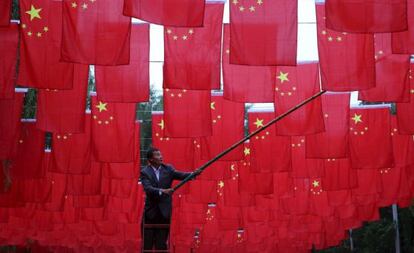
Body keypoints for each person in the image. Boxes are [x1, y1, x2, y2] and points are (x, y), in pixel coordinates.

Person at [140, 147, 199, 251]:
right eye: (157, 155)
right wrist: (162, 191)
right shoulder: (145, 172)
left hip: (164, 212)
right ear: (151, 159)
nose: (161, 157)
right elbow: (148, 189)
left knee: (161, 244)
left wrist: (193, 174)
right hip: (150, 213)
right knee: (147, 245)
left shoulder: (168, 169)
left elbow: (182, 175)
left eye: (160, 154)